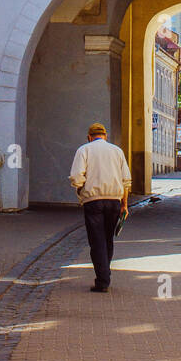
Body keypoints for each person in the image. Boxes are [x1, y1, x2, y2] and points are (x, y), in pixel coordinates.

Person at [68, 123, 131, 293]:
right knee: (108, 239)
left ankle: (103, 280)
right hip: (114, 201)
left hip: (93, 201)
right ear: (106, 136)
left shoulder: (84, 150)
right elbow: (126, 180)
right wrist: (124, 204)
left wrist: (80, 188)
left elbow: (76, 176)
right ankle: (105, 274)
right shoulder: (117, 151)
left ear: (89, 137)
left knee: (97, 241)